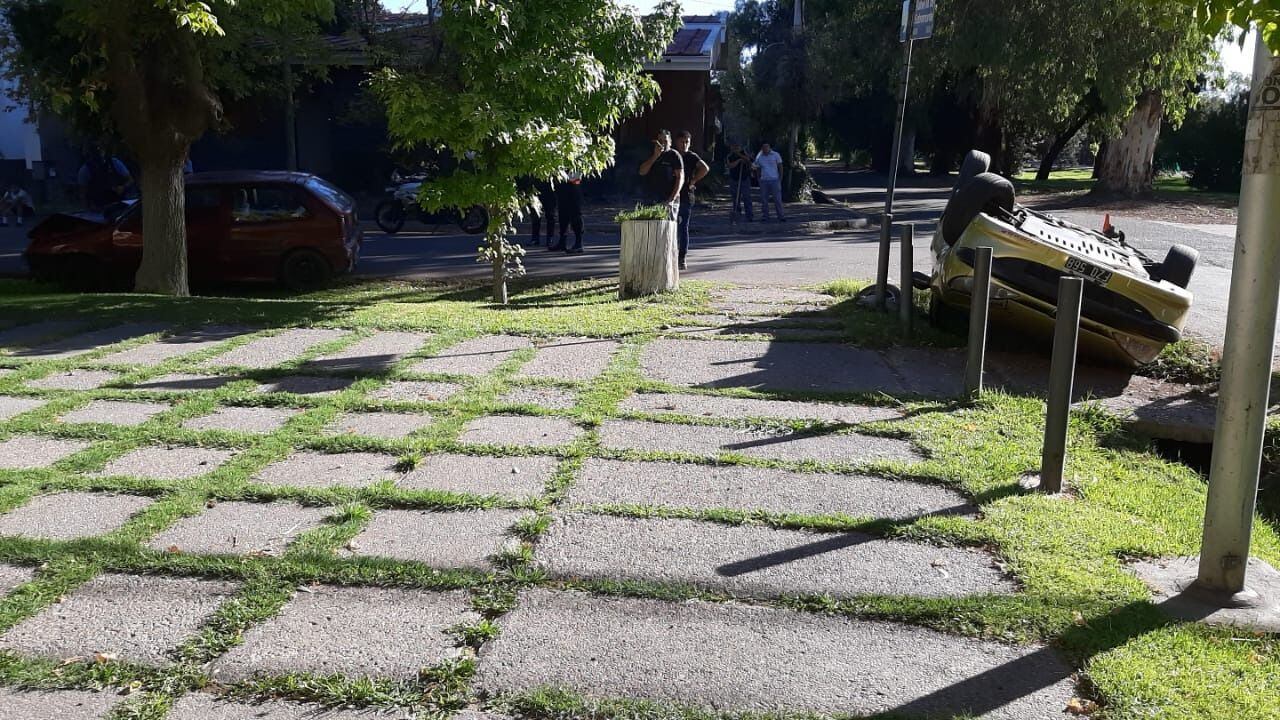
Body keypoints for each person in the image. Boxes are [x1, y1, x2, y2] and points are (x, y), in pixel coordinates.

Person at [673, 130, 709, 270]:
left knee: (682, 227)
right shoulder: (672, 155)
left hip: (685, 196)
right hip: (670, 195)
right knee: (670, 227)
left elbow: (705, 168)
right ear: (677, 142)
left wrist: (693, 180)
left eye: (687, 142)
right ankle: (669, 254)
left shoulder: (691, 156)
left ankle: (682, 258)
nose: (684, 144)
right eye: (682, 141)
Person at [637, 129, 683, 220]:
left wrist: (671, 199)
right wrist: (655, 156)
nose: (663, 144)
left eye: (665, 141)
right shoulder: (651, 153)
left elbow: (680, 178)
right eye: (660, 141)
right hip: (651, 198)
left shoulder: (674, 155)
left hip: (668, 198)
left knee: (668, 228)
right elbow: (642, 172)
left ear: (670, 142)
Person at [552, 171, 585, 254]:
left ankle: (578, 243)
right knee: (563, 214)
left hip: (573, 183)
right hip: (562, 183)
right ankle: (562, 242)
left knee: (575, 214)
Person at [753, 142, 786, 222]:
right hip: (764, 180)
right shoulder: (760, 157)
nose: (765, 149)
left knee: (777, 199)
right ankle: (765, 216)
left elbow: (780, 167)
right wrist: (759, 179)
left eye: (766, 147)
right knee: (764, 200)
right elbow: (757, 168)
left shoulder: (776, 155)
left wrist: (780, 178)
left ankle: (781, 216)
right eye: (763, 147)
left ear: (769, 147)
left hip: (774, 179)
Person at [725, 142, 754, 222]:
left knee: (746, 197)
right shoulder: (730, 156)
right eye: (734, 147)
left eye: (737, 147)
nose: (736, 148)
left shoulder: (744, 153)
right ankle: (737, 214)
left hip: (744, 178)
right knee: (735, 198)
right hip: (734, 179)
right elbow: (730, 165)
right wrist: (739, 160)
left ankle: (749, 216)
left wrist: (740, 156)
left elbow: (749, 160)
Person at [528, 178, 557, 247]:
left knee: (550, 215)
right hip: (536, 188)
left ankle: (550, 238)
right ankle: (535, 238)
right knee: (535, 215)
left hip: (549, 190)